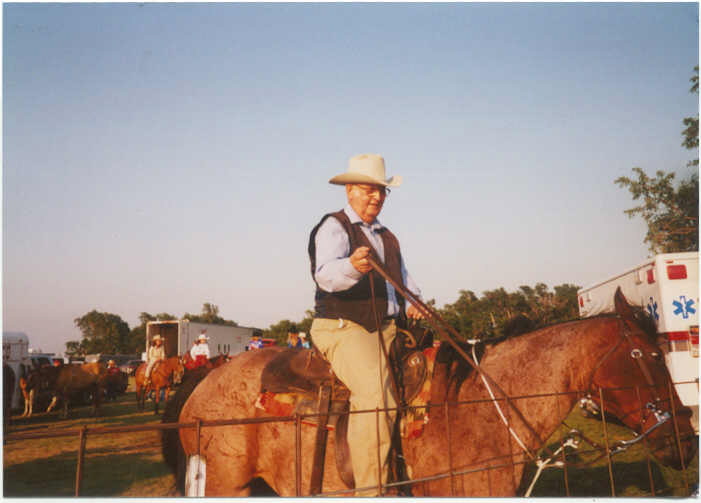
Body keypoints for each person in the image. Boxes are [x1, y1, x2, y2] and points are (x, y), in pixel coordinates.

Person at [308, 153, 424, 496]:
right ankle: (371, 493)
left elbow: (404, 282)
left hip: (387, 328)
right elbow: (326, 276)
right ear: (349, 191)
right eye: (368, 189)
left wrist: (416, 302)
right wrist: (352, 267)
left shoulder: (387, 237)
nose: (376, 197)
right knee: (376, 394)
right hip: (343, 326)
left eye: (382, 191)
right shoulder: (334, 226)